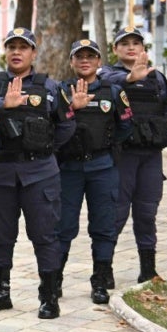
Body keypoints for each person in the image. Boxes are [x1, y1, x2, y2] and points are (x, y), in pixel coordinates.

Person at [0, 28, 75, 320]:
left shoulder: (50, 87)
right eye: (12, 47)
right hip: (1, 172)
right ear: (5, 52)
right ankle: (1, 292)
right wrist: (2, 103)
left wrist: (43, 149)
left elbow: (67, 125)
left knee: (45, 235)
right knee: (1, 236)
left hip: (40, 172)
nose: (17, 52)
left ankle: (48, 296)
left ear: (34, 53)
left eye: (23, 47)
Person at [57, 39, 132, 304]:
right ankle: (54, 282)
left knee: (103, 226)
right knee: (63, 226)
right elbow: (53, 129)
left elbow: (125, 126)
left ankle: (100, 280)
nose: (85, 60)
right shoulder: (61, 92)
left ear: (99, 62)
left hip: (102, 167)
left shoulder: (112, 92)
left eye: (90, 56)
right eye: (79, 56)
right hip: (69, 169)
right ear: (71, 62)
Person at [100, 26, 167, 284]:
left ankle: (148, 269)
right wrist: (130, 79)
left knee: (147, 213)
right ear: (116, 49)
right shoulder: (108, 74)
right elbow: (103, 86)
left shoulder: (158, 78)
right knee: (116, 214)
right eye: (124, 43)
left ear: (143, 48)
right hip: (123, 156)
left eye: (136, 43)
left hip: (150, 156)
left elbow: (163, 109)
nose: (131, 47)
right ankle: (104, 270)